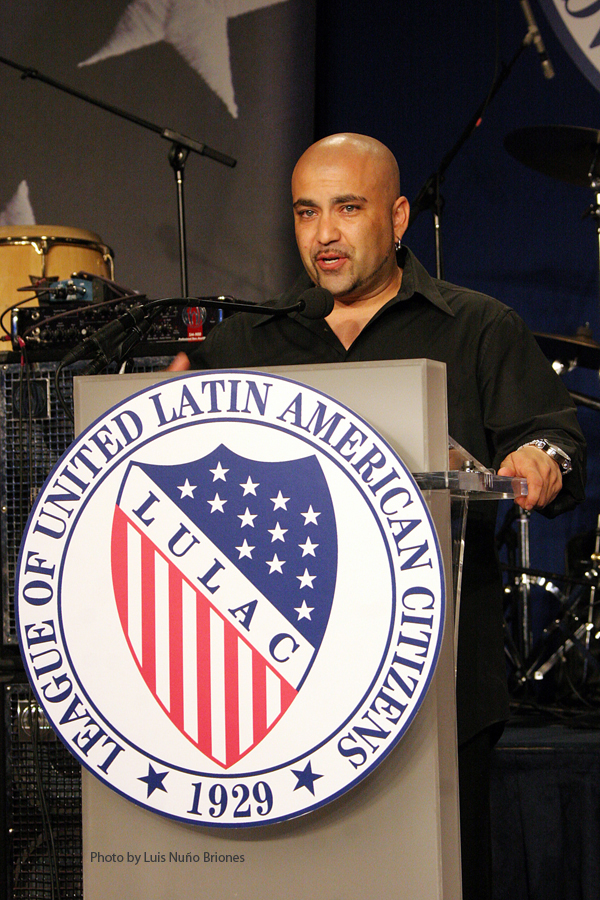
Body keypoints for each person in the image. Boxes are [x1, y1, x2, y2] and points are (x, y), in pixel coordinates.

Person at [169, 133, 586, 899]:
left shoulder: (477, 326)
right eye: (306, 212)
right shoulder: (246, 342)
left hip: (438, 686)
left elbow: (552, 434)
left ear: (397, 218)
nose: (323, 234)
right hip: (286, 691)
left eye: (346, 208)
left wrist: (538, 461)